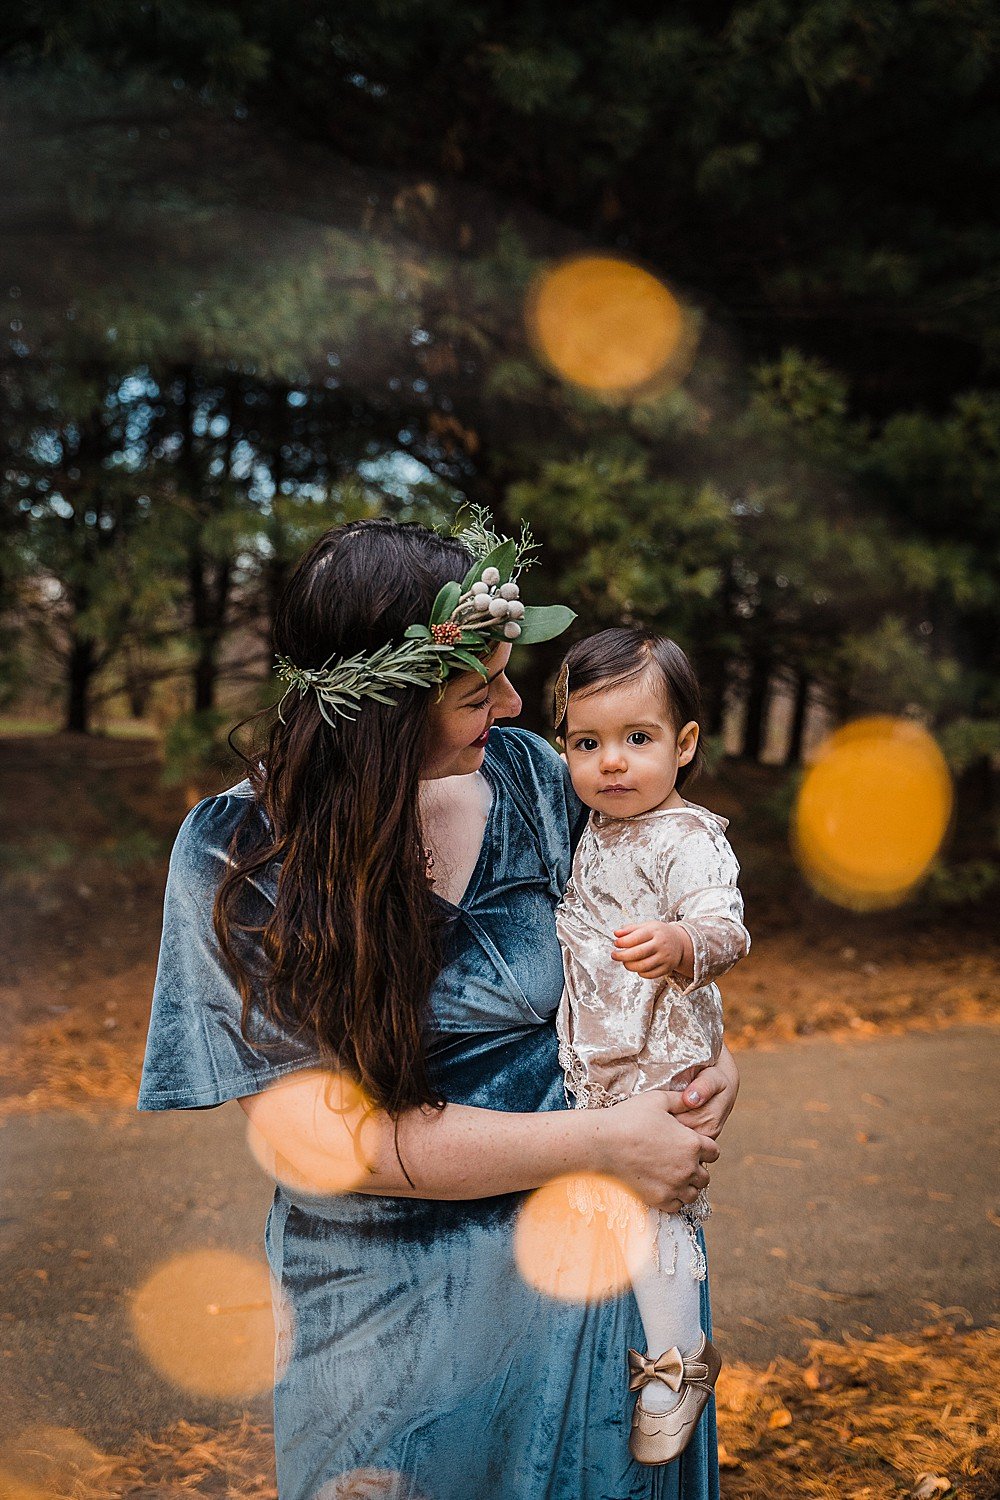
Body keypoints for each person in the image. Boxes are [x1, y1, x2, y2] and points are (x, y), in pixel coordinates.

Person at [137, 516, 740, 1500]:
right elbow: (330, 1145)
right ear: (384, 714)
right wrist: (606, 1144)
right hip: (381, 1316)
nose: (512, 704)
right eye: (476, 689)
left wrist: (703, 1071)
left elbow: (646, 956)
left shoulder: (541, 780)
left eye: (507, 674)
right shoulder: (233, 852)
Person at [553, 629, 751, 1468]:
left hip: (662, 1047)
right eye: (588, 743)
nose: (613, 763)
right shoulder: (596, 824)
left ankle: (678, 1366)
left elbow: (726, 924)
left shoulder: (687, 837)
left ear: (685, 744)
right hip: (601, 1044)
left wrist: (681, 942)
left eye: (638, 740)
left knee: (655, 1213)